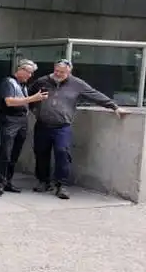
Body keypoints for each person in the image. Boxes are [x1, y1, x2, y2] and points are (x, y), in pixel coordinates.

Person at [27, 59, 125, 200]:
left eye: (62, 72)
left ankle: (62, 185)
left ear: (69, 72)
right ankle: (43, 181)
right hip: (42, 124)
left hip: (62, 126)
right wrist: (33, 110)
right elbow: (28, 94)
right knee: (41, 152)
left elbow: (94, 94)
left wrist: (114, 106)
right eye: (56, 71)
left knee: (62, 152)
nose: (58, 74)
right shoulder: (42, 81)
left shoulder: (77, 84)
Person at [0, 58, 47, 197]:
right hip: (10, 119)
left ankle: (7, 181)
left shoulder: (23, 85)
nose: (30, 75)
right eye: (29, 72)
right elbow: (9, 101)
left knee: (15, 153)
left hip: (22, 120)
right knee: (6, 152)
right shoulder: (8, 82)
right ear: (21, 69)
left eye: (32, 73)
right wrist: (32, 99)